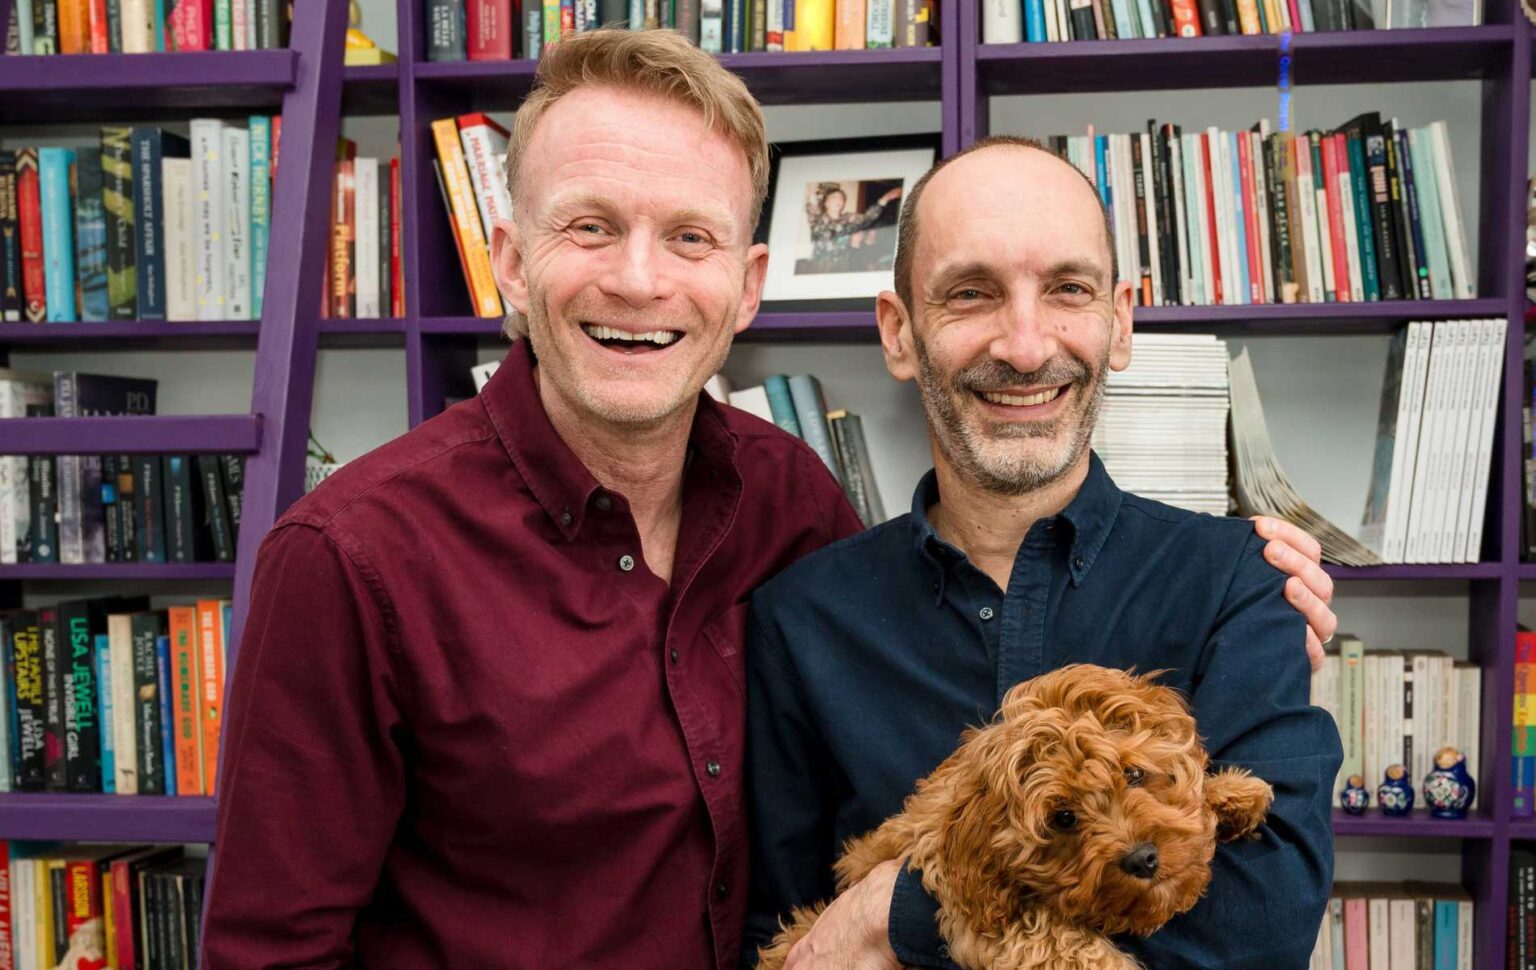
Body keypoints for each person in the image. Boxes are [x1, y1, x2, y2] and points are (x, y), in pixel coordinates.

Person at [200, 31, 1336, 969]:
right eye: (590, 226)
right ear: (508, 257)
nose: (639, 278)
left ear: (746, 285)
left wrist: (897, 917)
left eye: (689, 236)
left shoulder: (789, 506)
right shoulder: (348, 557)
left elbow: (1262, 917)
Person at [742, 137, 1342, 970]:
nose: (1025, 348)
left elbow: (1260, 931)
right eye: (970, 293)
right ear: (900, 333)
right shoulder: (800, 620)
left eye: (1068, 289)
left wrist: (896, 915)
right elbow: (795, 944)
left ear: (1120, 321)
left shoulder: (1241, 580)